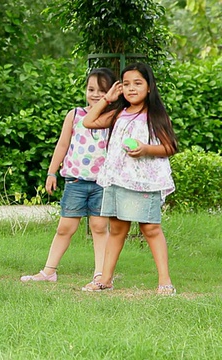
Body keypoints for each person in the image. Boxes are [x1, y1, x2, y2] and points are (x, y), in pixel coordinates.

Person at [81, 62, 178, 295]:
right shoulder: (118, 113)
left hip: (144, 181)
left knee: (151, 228)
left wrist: (145, 149)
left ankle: (165, 281)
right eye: (126, 84)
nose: (131, 88)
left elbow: (170, 147)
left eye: (137, 83)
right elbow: (88, 121)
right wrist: (107, 99)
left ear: (149, 87)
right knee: (116, 228)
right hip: (118, 179)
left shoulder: (154, 115)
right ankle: (105, 279)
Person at [20, 68, 116, 283]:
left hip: (102, 184)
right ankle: (49, 271)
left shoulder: (113, 118)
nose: (95, 94)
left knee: (99, 228)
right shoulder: (75, 114)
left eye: (101, 90)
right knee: (65, 227)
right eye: (91, 89)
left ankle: (100, 274)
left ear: (111, 92)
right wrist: (51, 172)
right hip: (75, 181)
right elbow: (63, 144)